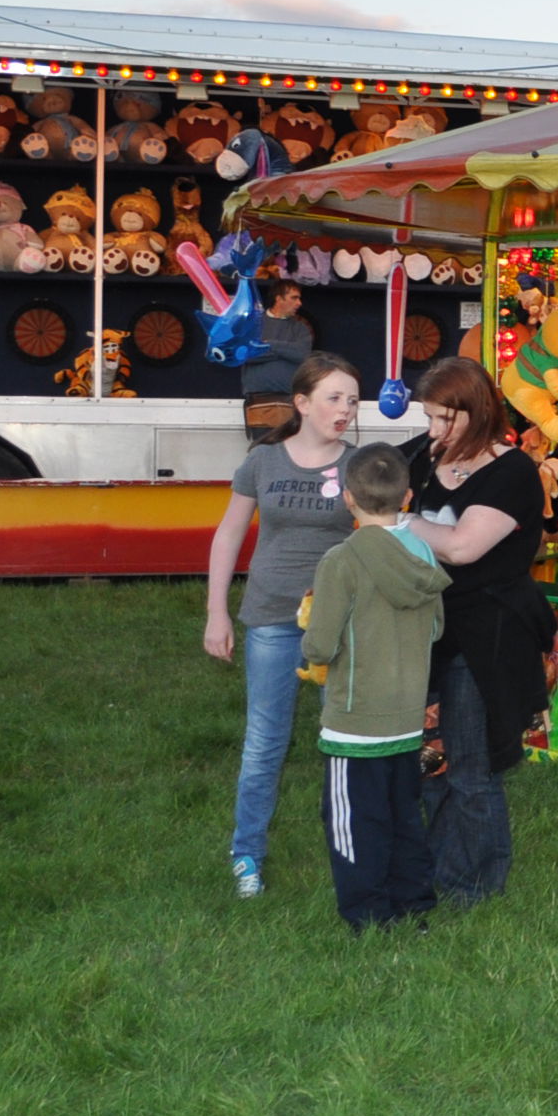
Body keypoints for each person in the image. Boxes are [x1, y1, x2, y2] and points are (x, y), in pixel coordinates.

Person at [202, 352, 363, 898]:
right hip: (271, 617)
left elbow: (379, 539)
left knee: (344, 737)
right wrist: (217, 612)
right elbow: (228, 535)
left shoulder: (358, 466)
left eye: (352, 400)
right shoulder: (264, 461)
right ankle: (246, 855)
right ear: (302, 403)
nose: (345, 410)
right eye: (334, 398)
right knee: (264, 741)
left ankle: (351, 846)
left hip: (339, 624)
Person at [404, 357, 558, 903]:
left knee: (471, 766)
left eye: (446, 418)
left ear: (477, 411)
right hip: (427, 630)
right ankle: (443, 873)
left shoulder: (513, 472)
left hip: (486, 636)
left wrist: (401, 524)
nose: (433, 430)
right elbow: (366, 487)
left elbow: (464, 546)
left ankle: (478, 888)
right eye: (429, 417)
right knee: (430, 763)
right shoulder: (423, 458)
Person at [297, 442, 451, 932]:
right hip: (406, 718)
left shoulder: (340, 561)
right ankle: (414, 907)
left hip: (354, 722)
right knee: (404, 818)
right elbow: (436, 631)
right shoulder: (423, 554)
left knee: (354, 822)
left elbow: (320, 646)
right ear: (407, 497)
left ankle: (368, 915)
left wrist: (309, 631)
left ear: (348, 498)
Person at [237, 277, 314, 438]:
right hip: (259, 402)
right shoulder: (253, 324)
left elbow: (302, 354)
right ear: (279, 298)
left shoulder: (300, 328)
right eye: (294, 298)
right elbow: (246, 354)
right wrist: (285, 351)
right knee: (263, 453)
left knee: (291, 455)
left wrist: (269, 345)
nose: (299, 303)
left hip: (291, 403)